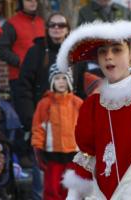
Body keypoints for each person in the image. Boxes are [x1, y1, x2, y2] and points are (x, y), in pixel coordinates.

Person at [57, 13, 131, 199]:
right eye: (103, 52)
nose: (109, 57)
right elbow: (86, 158)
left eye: (117, 50)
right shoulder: (92, 106)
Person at [31, 64, 82, 200]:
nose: (61, 82)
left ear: (69, 81)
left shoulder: (78, 103)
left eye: (64, 78)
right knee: (51, 188)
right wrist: (37, 148)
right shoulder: (45, 104)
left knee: (71, 188)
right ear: (52, 81)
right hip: (52, 154)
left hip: (73, 154)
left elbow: (85, 129)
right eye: (57, 78)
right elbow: (38, 128)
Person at [74, 0, 131, 99]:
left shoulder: (124, 11)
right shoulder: (85, 12)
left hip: (121, 64)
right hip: (95, 65)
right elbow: (80, 39)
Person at [0, 0, 45, 108]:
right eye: (28, 0)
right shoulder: (11, 24)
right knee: (24, 114)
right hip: (19, 78)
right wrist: (20, 63)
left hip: (40, 77)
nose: (33, 2)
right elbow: (2, 50)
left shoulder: (42, 22)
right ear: (21, 2)